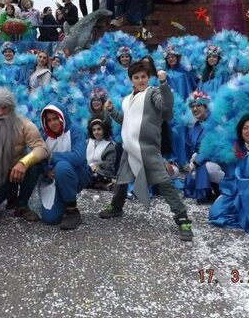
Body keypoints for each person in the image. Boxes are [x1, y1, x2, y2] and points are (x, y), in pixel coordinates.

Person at [99, 61, 193, 241]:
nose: (141, 80)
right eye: (136, 77)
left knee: (164, 183)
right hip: (129, 147)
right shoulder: (127, 100)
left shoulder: (153, 93)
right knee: (121, 180)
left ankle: (182, 219)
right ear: (131, 80)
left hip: (148, 148)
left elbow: (166, 108)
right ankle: (116, 207)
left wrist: (164, 84)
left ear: (148, 77)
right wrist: (111, 111)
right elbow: (126, 122)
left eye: (143, 76)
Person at [0, 87, 48, 221]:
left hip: (21, 170)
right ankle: (8, 192)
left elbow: (42, 148)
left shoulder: (25, 125)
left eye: (4, 108)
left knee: (36, 165)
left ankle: (22, 205)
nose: (0, 113)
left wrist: (24, 163)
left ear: (11, 108)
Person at [39, 103, 92, 229]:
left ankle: (72, 210)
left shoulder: (75, 130)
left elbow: (78, 157)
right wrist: (46, 170)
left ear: (62, 117)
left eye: (55, 118)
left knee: (62, 167)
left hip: (77, 175)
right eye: (49, 120)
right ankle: (63, 200)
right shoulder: (44, 135)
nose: (53, 123)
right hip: (53, 180)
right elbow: (39, 159)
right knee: (50, 219)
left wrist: (53, 157)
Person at [183, 91, 223, 203]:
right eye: (192, 106)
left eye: (198, 105)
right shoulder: (195, 126)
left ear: (206, 107)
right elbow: (191, 147)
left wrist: (197, 160)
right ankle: (211, 190)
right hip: (203, 161)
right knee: (195, 170)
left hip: (220, 163)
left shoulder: (215, 123)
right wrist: (194, 157)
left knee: (207, 168)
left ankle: (225, 189)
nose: (195, 109)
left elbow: (215, 149)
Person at [86, 119, 116, 190]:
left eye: (99, 129)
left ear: (104, 130)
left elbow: (108, 166)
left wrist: (96, 167)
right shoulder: (87, 142)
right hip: (87, 170)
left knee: (92, 176)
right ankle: (102, 185)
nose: (96, 132)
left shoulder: (109, 146)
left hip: (103, 173)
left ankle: (102, 184)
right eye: (94, 130)